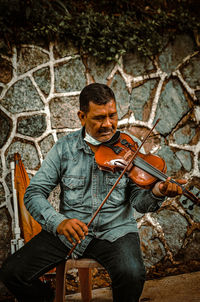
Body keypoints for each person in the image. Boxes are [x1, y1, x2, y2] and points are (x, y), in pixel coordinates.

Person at [0, 83, 186, 302]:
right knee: (12, 273)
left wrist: (157, 191)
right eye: (99, 118)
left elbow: (139, 202)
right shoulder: (64, 148)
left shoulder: (131, 145)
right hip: (69, 231)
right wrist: (59, 222)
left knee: (132, 274)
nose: (108, 124)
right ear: (82, 116)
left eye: (112, 115)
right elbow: (34, 192)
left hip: (116, 231)